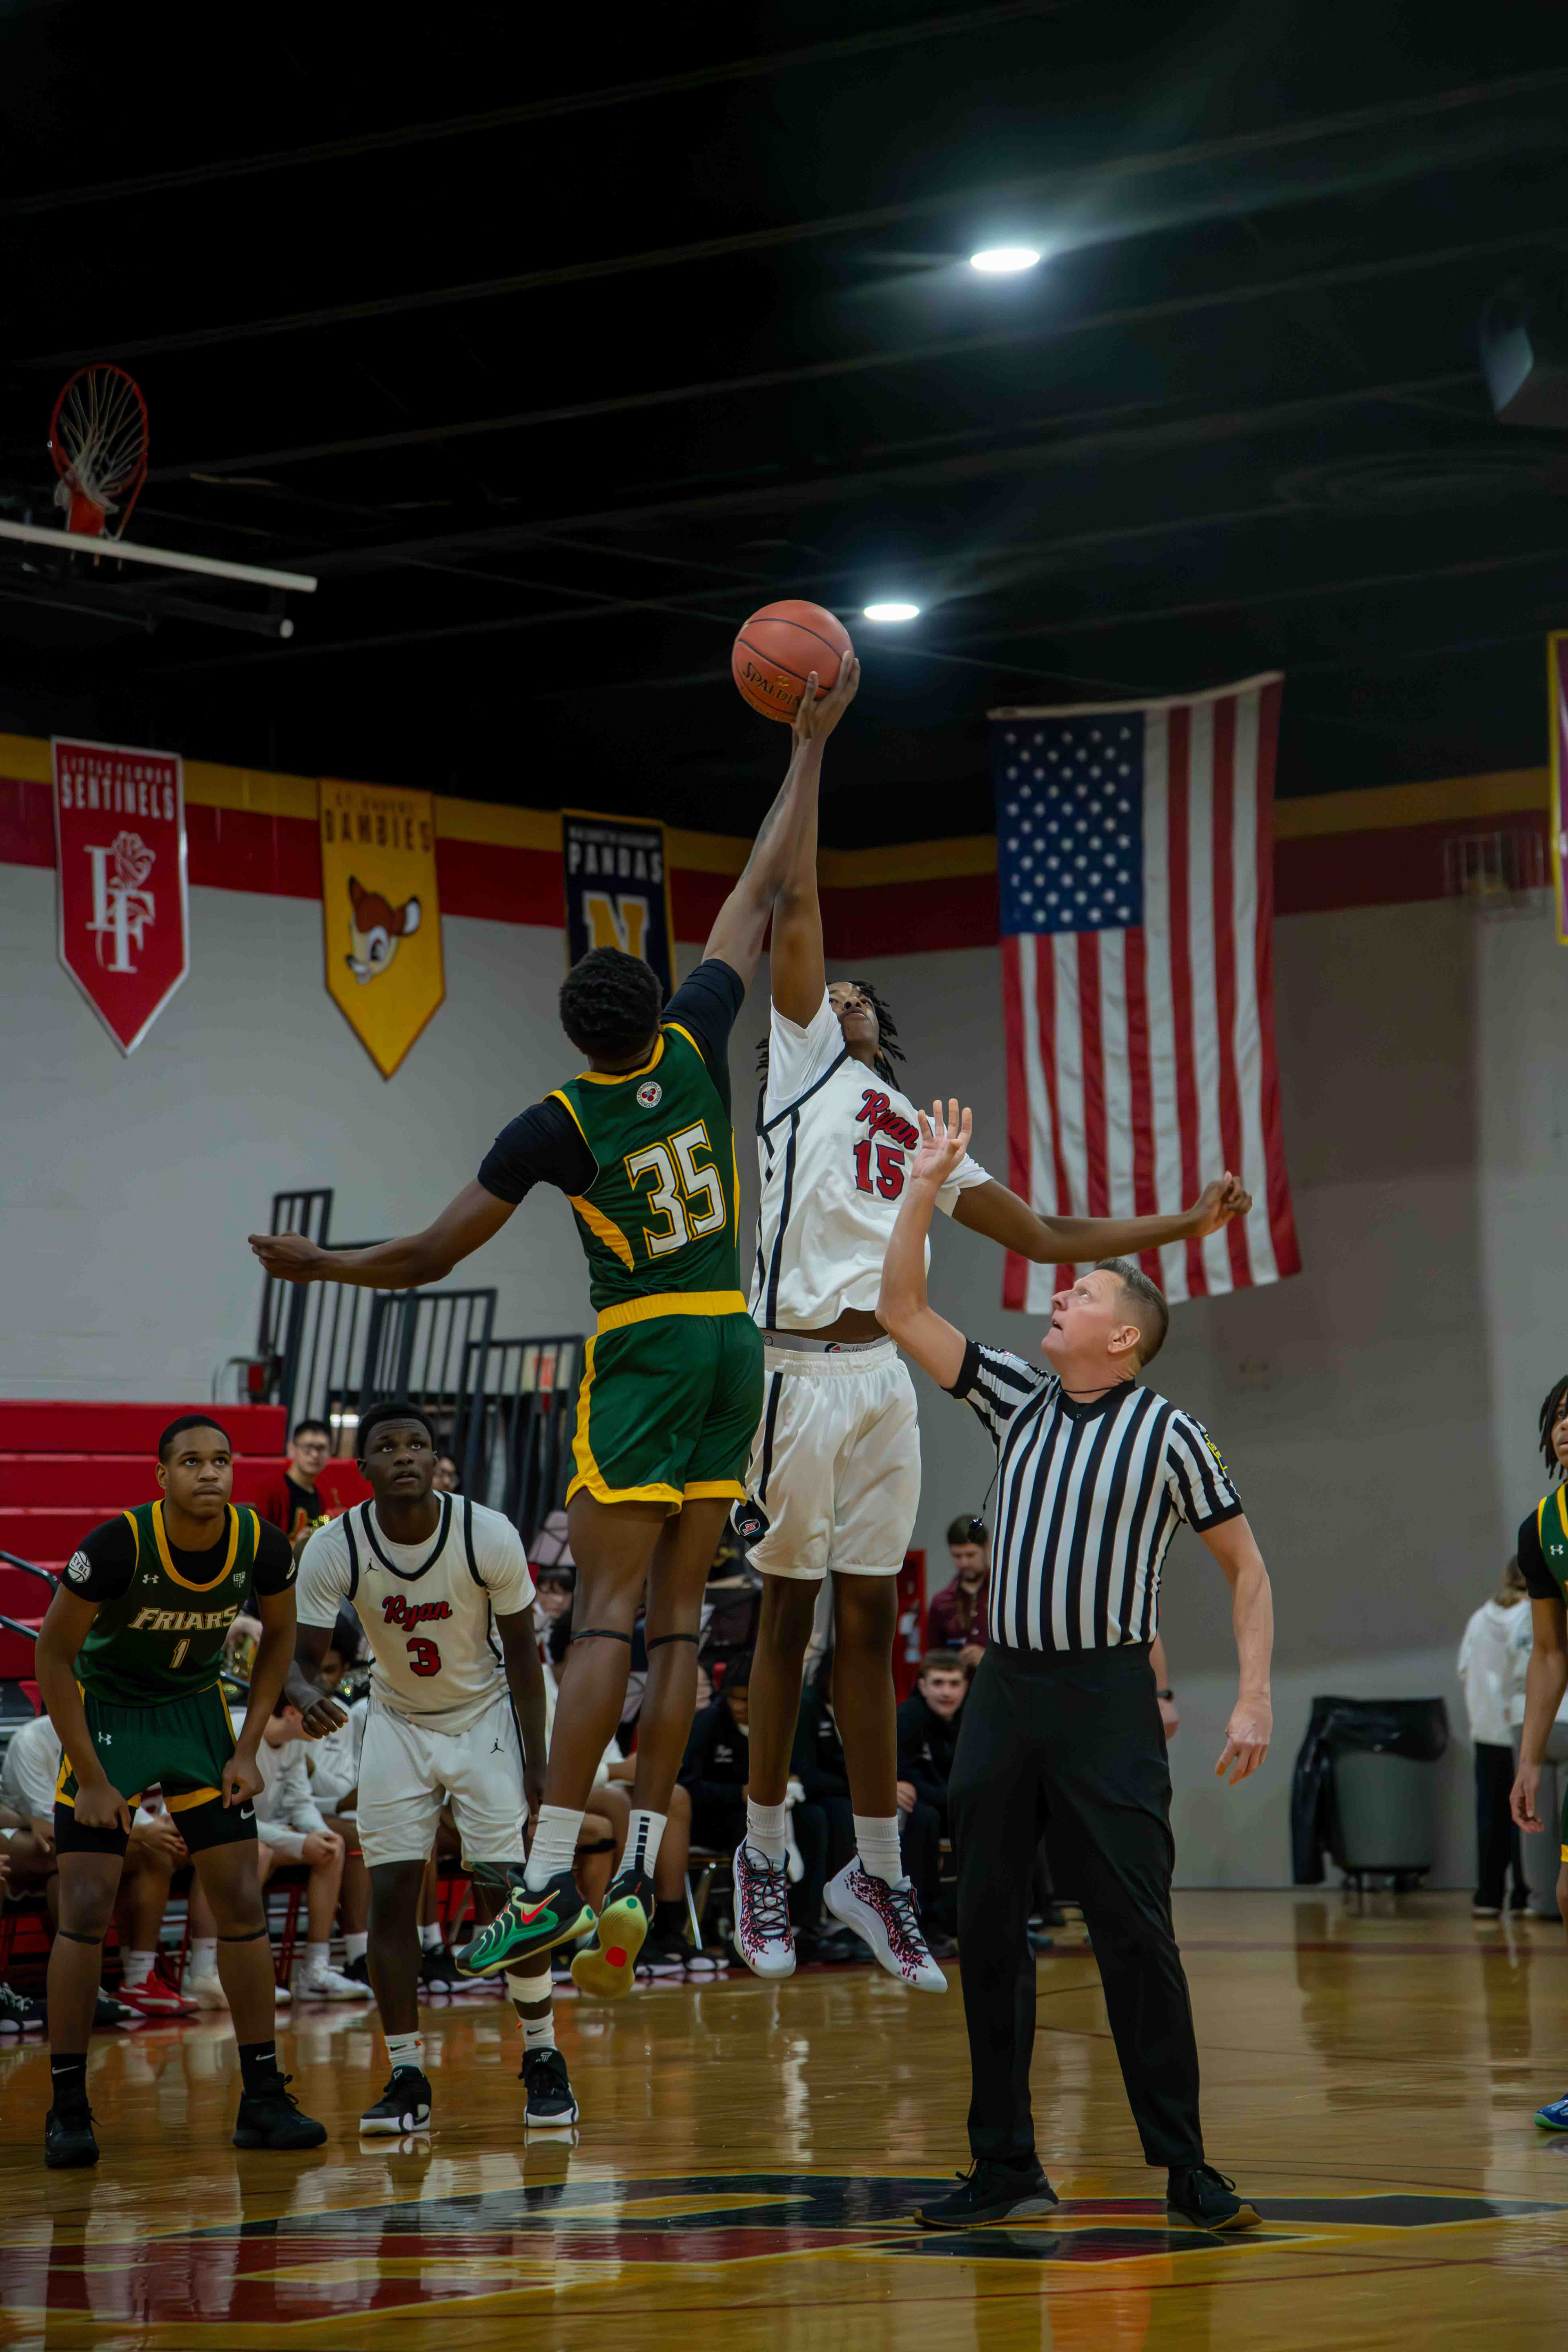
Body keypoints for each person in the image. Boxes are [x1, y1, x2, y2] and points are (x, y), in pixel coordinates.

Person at [252, 669, 851, 2000]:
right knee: (690, 1623)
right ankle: (635, 1864)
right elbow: (759, 892)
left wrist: (320, 1260)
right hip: (732, 1341)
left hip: (642, 1347)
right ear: (654, 1003)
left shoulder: (558, 1124)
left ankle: (536, 1887)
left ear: (573, 1036)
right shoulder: (697, 1046)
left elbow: (428, 1256)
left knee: (608, 1620)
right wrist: (807, 748)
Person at [731, 676, 1252, 1990]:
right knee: (782, 1622)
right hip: (791, 1370)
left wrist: (1174, 1221)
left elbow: (1042, 1238)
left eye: (853, 990)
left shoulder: (916, 1129)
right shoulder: (796, 1069)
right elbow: (791, 900)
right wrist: (808, 751)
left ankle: (874, 1875)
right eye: (823, 983)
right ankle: (758, 1847)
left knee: (866, 1631)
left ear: (881, 1027)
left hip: (881, 1385)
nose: (834, 986)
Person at [877, 1103, 1272, 2233]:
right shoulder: (1018, 1396)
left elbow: (1248, 1571)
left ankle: (1189, 2169)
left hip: (1105, 1698)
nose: (1062, 1294)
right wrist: (925, 1184)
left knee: (1135, 1929)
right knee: (989, 1923)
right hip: (1007, 1692)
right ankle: (1004, 2164)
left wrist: (1250, 1695)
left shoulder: (1170, 1434)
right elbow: (901, 1307)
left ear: (1126, 1338)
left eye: (1083, 1294)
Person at [31, 1414, 325, 2167]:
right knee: (86, 1907)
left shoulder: (262, 1543)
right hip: (110, 1717)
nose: (209, 1472)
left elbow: (281, 1642)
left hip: (194, 1715)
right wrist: (92, 1777)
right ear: (161, 1476)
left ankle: (262, 2098)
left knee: (241, 1901)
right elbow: (54, 1658)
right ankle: (66, 2107)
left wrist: (250, 1745)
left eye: (222, 1460)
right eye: (191, 1461)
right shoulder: (117, 1545)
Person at [285, 1401, 571, 2132]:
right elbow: (294, 1664)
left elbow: (528, 1664)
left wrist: (540, 1766)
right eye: (389, 1445)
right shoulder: (334, 1546)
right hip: (397, 1723)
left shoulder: (488, 1533)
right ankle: (407, 2073)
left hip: (483, 1721)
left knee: (504, 1901)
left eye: (419, 1444)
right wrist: (307, 1692)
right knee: (390, 1898)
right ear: (366, 1468)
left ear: (437, 1460)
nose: (405, 1454)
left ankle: (542, 2054)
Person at [0, 1710, 192, 2018]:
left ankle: (137, 1979)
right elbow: (52, 1820)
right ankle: (81, 1985)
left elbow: (120, 1798)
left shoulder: (105, 1738)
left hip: (66, 1850)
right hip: (21, 1841)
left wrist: (153, 1827)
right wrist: (140, 1831)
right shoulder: (31, 1741)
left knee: (154, 1851)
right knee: (74, 1855)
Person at [1509, 1372, 1568, 2133]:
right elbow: (1551, 1654)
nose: (1566, 1426)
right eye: (1558, 1416)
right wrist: (1529, 1760)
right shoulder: (1544, 1527)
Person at [1459, 1557, 1530, 1919]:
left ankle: (1488, 1896)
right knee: (1529, 1814)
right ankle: (1525, 1894)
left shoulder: (1479, 1618)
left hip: (1485, 1731)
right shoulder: (1534, 1616)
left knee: (1490, 1816)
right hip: (1523, 1732)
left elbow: (1464, 1670)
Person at [895, 1650, 969, 1933]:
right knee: (923, 1818)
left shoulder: (971, 1716)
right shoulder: (909, 1715)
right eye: (938, 1683)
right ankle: (920, 1921)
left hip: (950, 1801)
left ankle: (1008, 1920)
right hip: (918, 1806)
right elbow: (903, 1775)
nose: (946, 1692)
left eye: (954, 1683)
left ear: (965, 1687)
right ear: (923, 1685)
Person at [926, 1518, 991, 1665]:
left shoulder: (1004, 1596)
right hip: (957, 1684)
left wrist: (987, 1659)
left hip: (998, 1684)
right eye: (957, 1556)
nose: (964, 1563)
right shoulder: (941, 1602)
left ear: (987, 1547)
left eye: (970, 1555)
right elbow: (933, 1660)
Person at [261, 1419, 335, 1544]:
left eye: (322, 1448)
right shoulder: (273, 1491)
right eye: (308, 1448)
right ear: (292, 1449)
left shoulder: (322, 1497)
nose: (315, 1455)